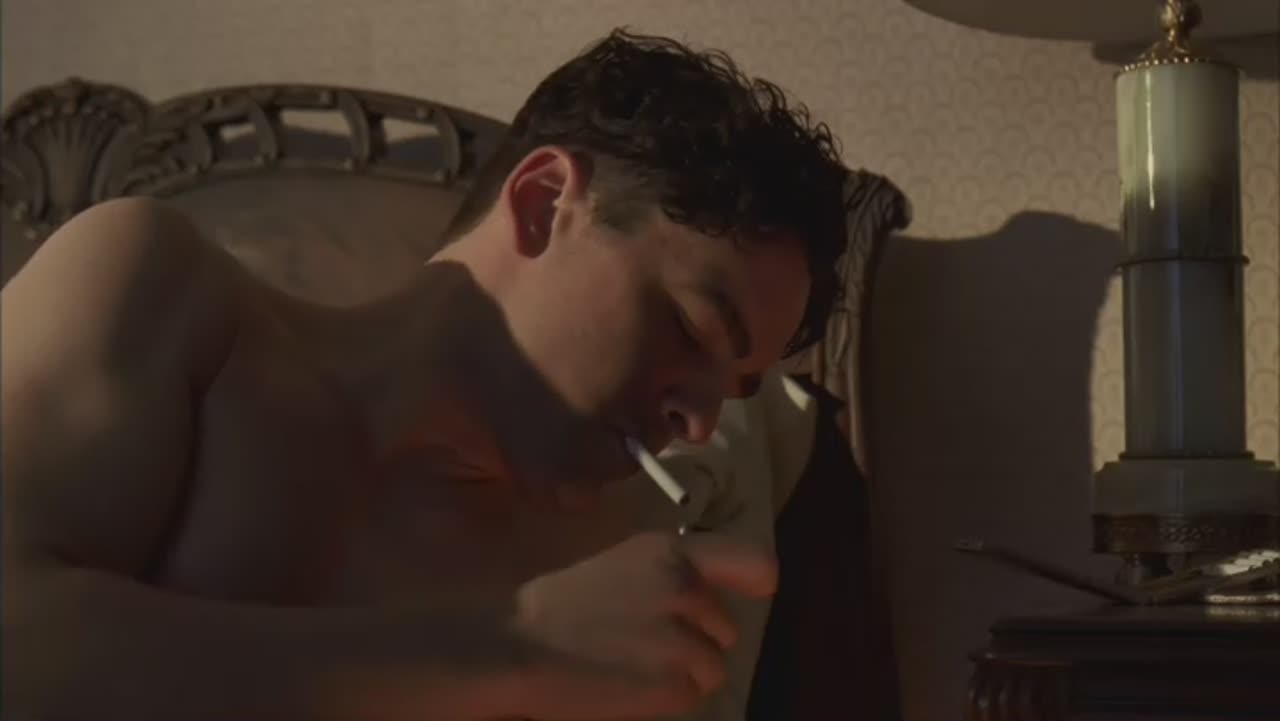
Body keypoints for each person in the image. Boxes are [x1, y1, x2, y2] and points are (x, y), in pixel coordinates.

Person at [2, 28, 849, 721]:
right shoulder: (165, 291)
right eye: (695, 328)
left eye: (732, 389)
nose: (698, 422)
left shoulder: (614, 578)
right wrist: (515, 644)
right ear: (543, 203)